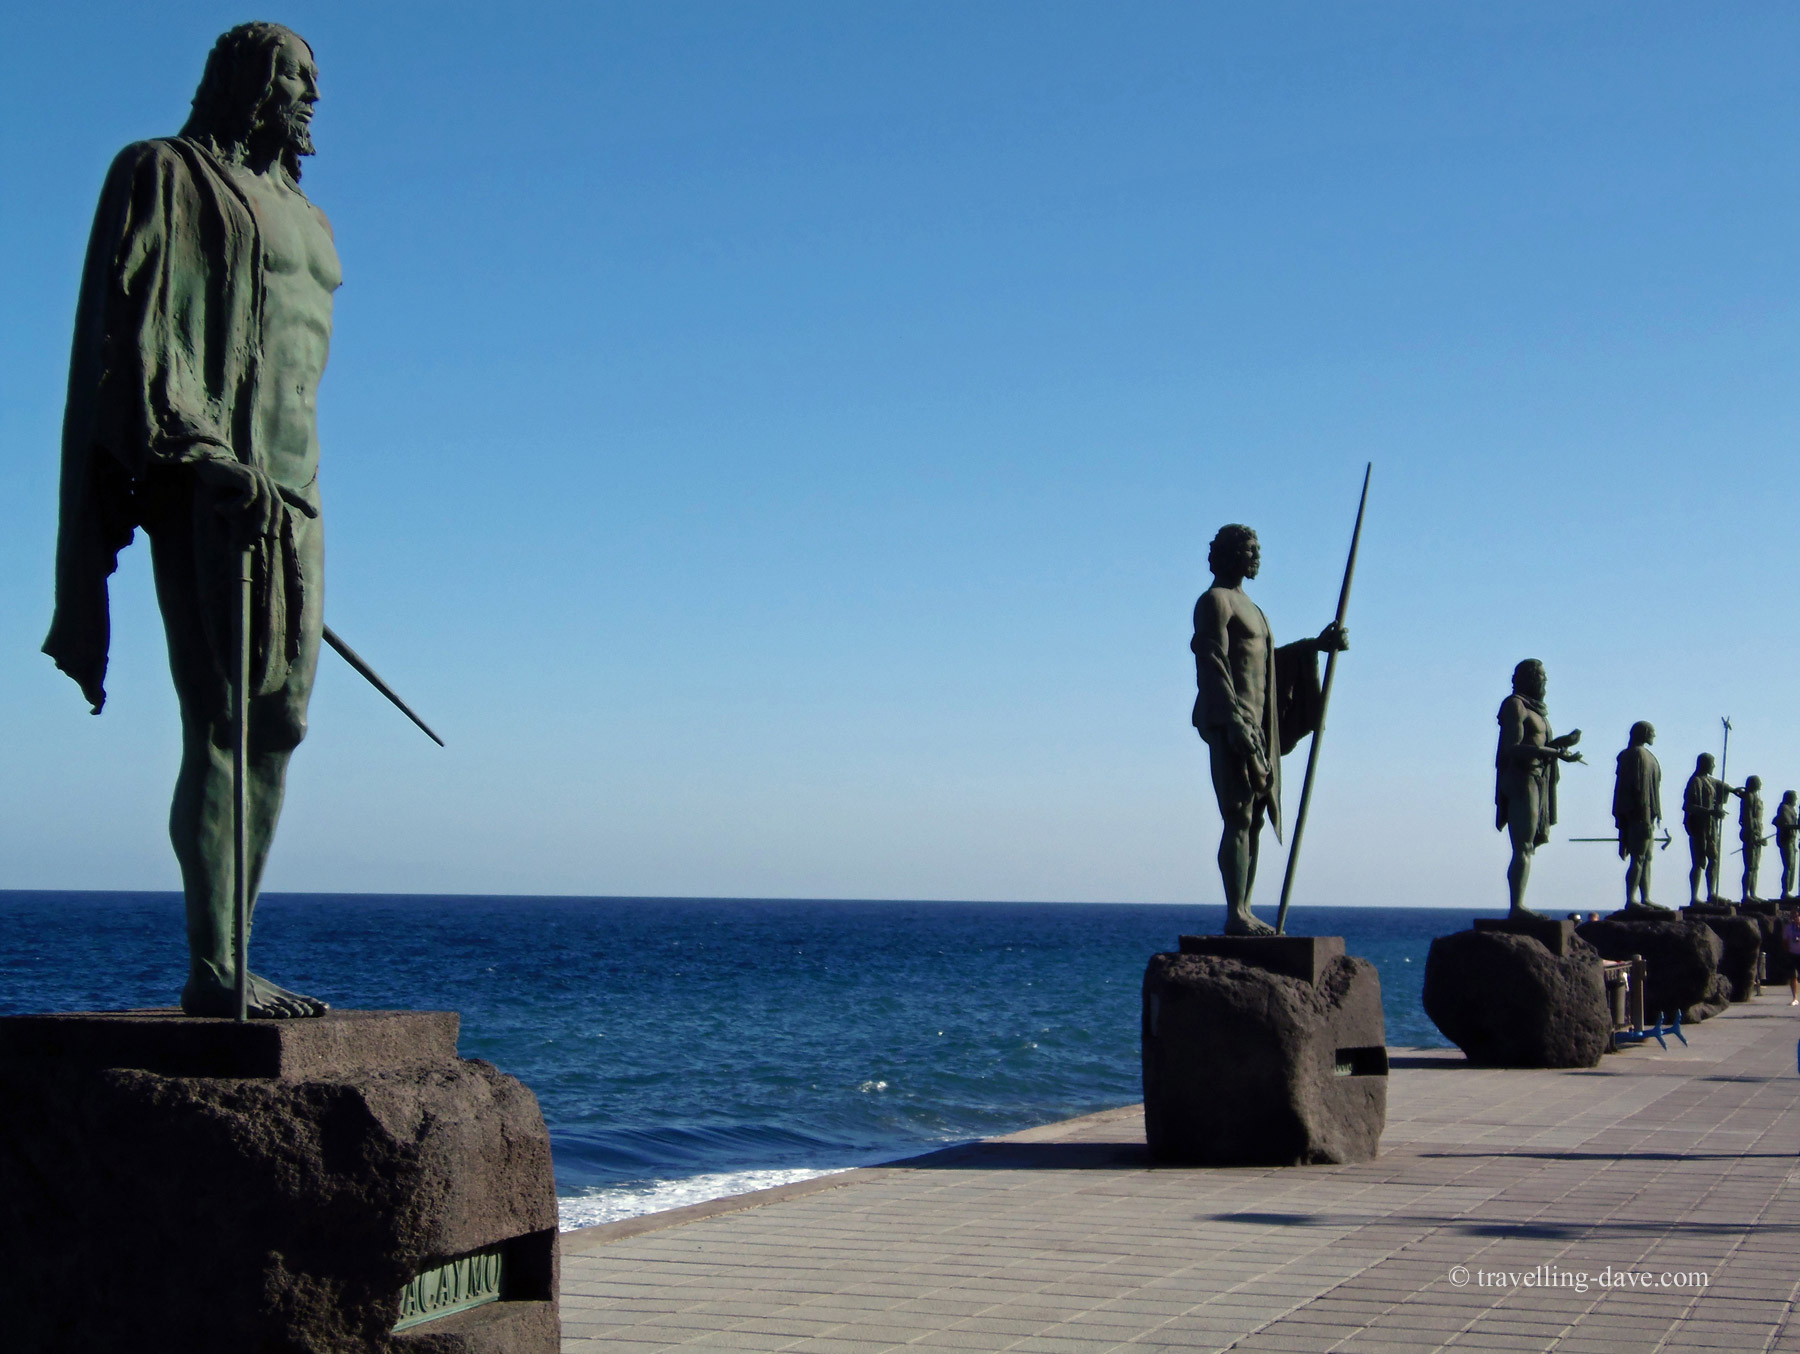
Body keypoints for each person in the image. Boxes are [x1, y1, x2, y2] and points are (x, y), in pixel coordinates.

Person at [44, 23, 336, 1017]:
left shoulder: (309, 217)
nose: (310, 98)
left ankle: (242, 950)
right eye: (294, 79)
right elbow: (132, 330)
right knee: (219, 717)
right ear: (247, 84)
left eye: (313, 81)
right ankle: (216, 971)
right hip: (210, 481)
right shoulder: (166, 173)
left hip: (296, 491)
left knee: (282, 724)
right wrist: (200, 447)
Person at [1191, 524, 1346, 935]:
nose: (1257, 556)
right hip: (1233, 722)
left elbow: (1266, 663)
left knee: (1254, 819)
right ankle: (1235, 913)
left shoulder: (1254, 607)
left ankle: (1245, 908)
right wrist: (1234, 721)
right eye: (1250, 549)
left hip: (1261, 728)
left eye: (1258, 548)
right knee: (1237, 816)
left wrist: (1315, 646)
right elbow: (1212, 661)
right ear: (1229, 554)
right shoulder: (1214, 602)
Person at [1494, 660, 1583, 918]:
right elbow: (1512, 748)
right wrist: (1555, 752)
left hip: (1537, 779)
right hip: (1521, 779)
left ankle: (1519, 905)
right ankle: (1517, 907)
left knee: (1528, 846)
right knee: (1522, 845)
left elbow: (1541, 744)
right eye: (1541, 677)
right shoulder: (1515, 705)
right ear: (1530, 678)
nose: (1545, 682)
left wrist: (1561, 744)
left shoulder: (1539, 712)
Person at [1612, 721, 1663, 909]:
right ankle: (1631, 899)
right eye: (1652, 732)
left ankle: (1645, 897)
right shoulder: (1635, 755)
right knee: (1638, 858)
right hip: (1639, 815)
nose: (1654, 736)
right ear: (1644, 733)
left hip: (1648, 815)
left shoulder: (1648, 756)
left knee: (1647, 858)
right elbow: (1634, 788)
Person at [1682, 754, 1730, 906]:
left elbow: (1721, 785)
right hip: (1698, 827)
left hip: (1711, 828)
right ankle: (1694, 897)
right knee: (1698, 862)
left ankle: (1711, 893)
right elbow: (1688, 806)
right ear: (1704, 764)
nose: (1714, 766)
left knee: (1714, 859)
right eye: (1712, 763)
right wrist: (1710, 812)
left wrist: (1735, 791)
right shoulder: (1695, 781)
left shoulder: (1709, 780)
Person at [1738, 775, 1766, 903]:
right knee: (1749, 866)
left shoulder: (1757, 798)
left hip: (1757, 834)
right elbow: (1748, 818)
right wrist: (1753, 835)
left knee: (1755, 867)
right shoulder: (1749, 797)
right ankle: (1746, 894)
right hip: (1750, 834)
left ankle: (1753, 893)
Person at [1775, 791, 1799, 899]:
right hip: (1786, 840)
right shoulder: (1784, 808)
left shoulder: (1792, 809)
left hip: (1792, 840)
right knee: (1788, 866)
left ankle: (1788, 889)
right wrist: (1796, 827)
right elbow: (1786, 825)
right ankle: (1785, 892)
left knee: (1792, 866)